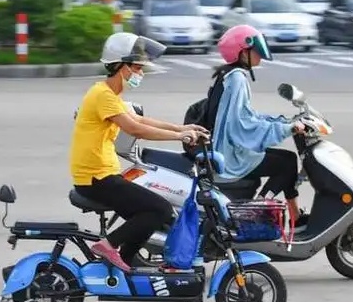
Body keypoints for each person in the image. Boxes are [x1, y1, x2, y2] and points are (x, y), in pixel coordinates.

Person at [69, 32, 208, 272]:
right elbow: (135, 129)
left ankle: (126, 260)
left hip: (102, 174)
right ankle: (108, 245)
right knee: (160, 209)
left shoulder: (109, 94)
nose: (140, 73)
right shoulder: (102, 95)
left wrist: (183, 128)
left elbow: (141, 120)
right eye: (136, 67)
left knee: (149, 215)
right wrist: (179, 137)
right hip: (95, 178)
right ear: (120, 66)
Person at [210, 24, 309, 228]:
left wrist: (281, 121)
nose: (260, 54)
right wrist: (285, 129)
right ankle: (255, 211)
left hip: (228, 149)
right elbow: (240, 125)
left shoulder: (230, 74)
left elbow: (246, 115)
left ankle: (295, 216)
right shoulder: (237, 79)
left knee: (288, 159)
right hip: (231, 156)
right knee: (286, 164)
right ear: (242, 52)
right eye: (255, 50)